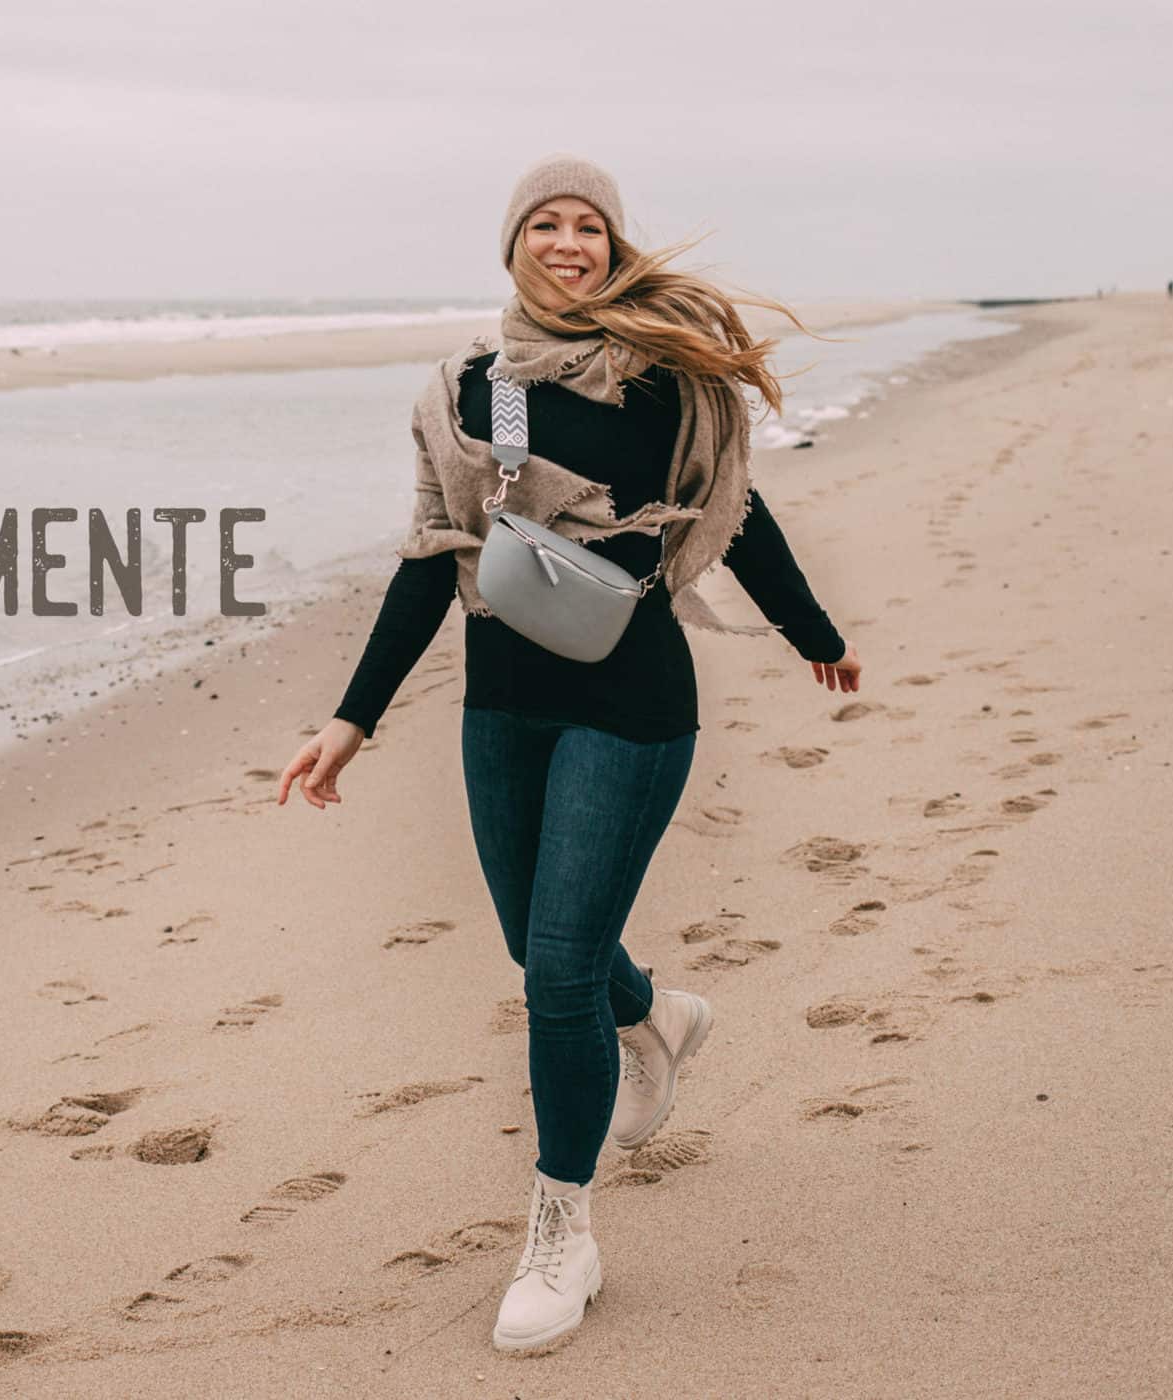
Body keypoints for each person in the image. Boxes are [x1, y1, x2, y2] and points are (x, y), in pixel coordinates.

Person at [276, 153, 863, 1354]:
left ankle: (562, 1231)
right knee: (546, 949)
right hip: (500, 706)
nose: (565, 242)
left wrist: (814, 633)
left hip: (633, 702)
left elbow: (736, 517)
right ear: (511, 246)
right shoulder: (470, 391)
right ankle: (652, 1019)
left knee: (552, 973)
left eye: (586, 224)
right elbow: (429, 556)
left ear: (612, 244)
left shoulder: (670, 385)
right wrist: (353, 716)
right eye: (541, 223)